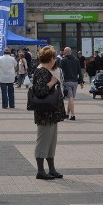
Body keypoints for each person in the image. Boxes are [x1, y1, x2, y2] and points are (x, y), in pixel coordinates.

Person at [31, 45, 66, 180]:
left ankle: (51, 169)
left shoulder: (46, 70)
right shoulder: (41, 72)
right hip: (45, 113)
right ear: (51, 58)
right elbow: (40, 92)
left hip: (51, 113)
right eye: (54, 57)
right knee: (43, 142)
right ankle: (40, 171)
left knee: (51, 142)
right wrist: (52, 82)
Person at [59, 46, 83, 120]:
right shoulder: (76, 60)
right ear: (71, 52)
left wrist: (59, 81)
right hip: (75, 82)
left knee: (70, 98)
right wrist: (81, 82)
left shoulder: (63, 60)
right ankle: (67, 114)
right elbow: (79, 71)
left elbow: (60, 71)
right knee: (71, 98)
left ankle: (72, 115)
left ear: (65, 52)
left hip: (67, 82)